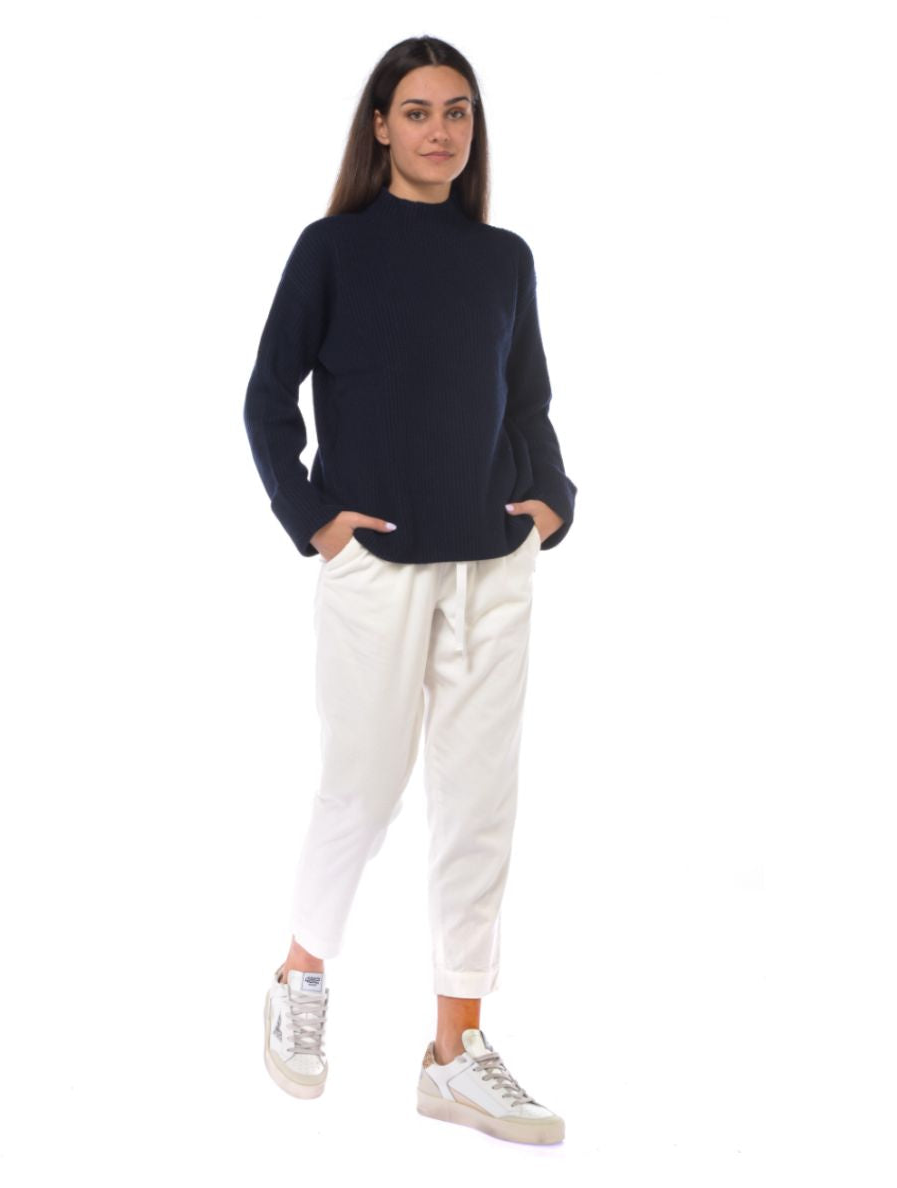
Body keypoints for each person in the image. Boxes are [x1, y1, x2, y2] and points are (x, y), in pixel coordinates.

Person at [243, 36, 576, 1146]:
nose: (442, 130)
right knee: (362, 789)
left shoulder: (504, 259)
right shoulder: (332, 249)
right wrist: (314, 519)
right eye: (419, 111)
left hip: (490, 562)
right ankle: (299, 974)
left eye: (459, 111)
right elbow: (266, 399)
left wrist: (552, 500)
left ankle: (454, 1052)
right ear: (380, 126)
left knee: (479, 804)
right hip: (376, 564)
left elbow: (526, 401)